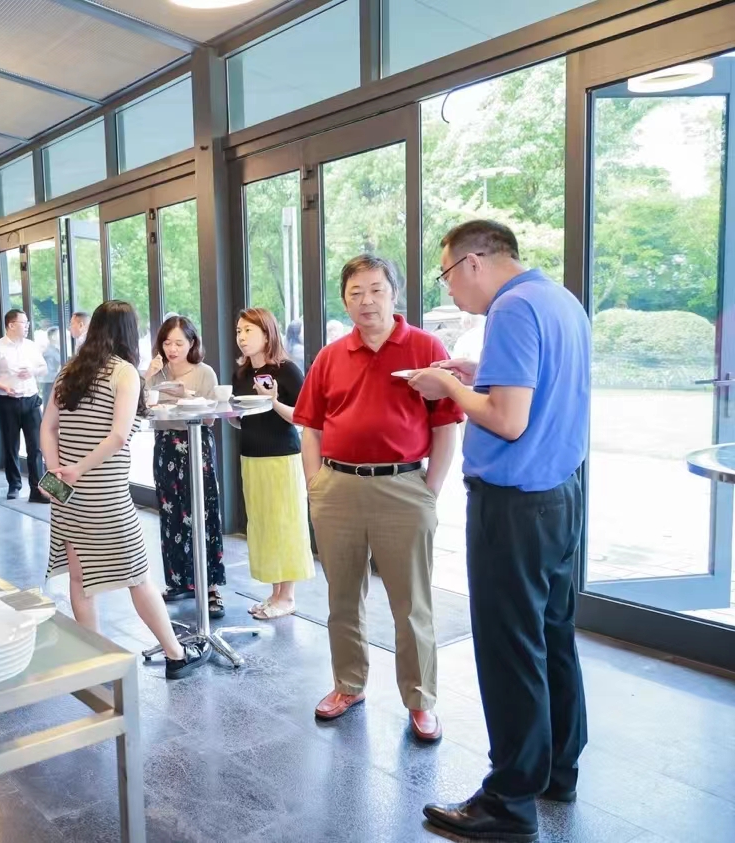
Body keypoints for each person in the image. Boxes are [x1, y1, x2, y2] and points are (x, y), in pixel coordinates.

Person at [410, 221, 589, 843]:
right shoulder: (559, 300)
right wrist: (476, 371)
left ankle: (508, 802)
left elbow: (508, 420)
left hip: (513, 507)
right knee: (552, 636)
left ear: (474, 262)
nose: (450, 289)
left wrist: (447, 385)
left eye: (446, 274)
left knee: (509, 649)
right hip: (560, 496)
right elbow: (538, 390)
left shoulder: (510, 310)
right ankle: (557, 770)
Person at [293, 254, 462, 743]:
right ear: (344, 301)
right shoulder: (330, 356)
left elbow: (446, 425)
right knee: (342, 598)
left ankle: (420, 700)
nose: (366, 301)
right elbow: (311, 428)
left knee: (412, 603)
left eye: (375, 290)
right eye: (355, 293)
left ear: (394, 293)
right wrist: (315, 484)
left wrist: (429, 490)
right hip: (337, 488)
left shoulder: (426, 347)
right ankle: (348, 684)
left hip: (403, 487)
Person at [41, 300, 210, 680]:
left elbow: (47, 427)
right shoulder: (124, 372)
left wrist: (57, 471)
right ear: (129, 333)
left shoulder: (70, 370)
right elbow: (118, 436)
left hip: (67, 493)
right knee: (137, 574)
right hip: (105, 490)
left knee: (80, 579)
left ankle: (95, 660)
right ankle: (176, 655)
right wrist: (79, 469)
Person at [231, 308, 313, 619]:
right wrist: (231, 415)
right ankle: (275, 593)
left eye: (248, 331)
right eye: (239, 331)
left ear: (267, 335)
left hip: (281, 456)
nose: (241, 337)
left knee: (284, 523)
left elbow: (303, 417)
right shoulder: (241, 374)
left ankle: (287, 596)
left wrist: (273, 401)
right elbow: (242, 418)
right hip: (250, 455)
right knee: (263, 524)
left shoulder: (286, 370)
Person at [144, 315, 226, 619]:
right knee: (171, 514)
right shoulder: (157, 372)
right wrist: (147, 377)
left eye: (179, 342)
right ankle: (179, 581)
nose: (172, 349)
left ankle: (211, 587)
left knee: (203, 512)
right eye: (167, 342)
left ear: (192, 343)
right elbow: (143, 409)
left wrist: (188, 397)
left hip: (196, 442)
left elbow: (211, 418)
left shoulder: (205, 373)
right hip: (166, 444)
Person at [0, 309, 50, 504]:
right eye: (23, 322)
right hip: (8, 401)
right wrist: (4, 387)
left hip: (31, 400)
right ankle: (14, 485)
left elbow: (43, 368)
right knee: (11, 445)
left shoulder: (31, 346)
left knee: (35, 446)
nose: (27, 326)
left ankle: (37, 489)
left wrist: (32, 371)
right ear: (11, 325)